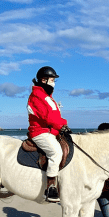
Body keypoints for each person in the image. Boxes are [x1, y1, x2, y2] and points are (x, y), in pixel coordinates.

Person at [27, 66, 68, 203]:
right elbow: (48, 118)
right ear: (44, 80)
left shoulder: (48, 97)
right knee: (56, 152)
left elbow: (57, 117)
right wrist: (61, 126)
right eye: (52, 80)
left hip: (51, 131)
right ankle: (50, 188)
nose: (54, 83)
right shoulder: (37, 96)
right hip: (40, 132)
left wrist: (64, 125)